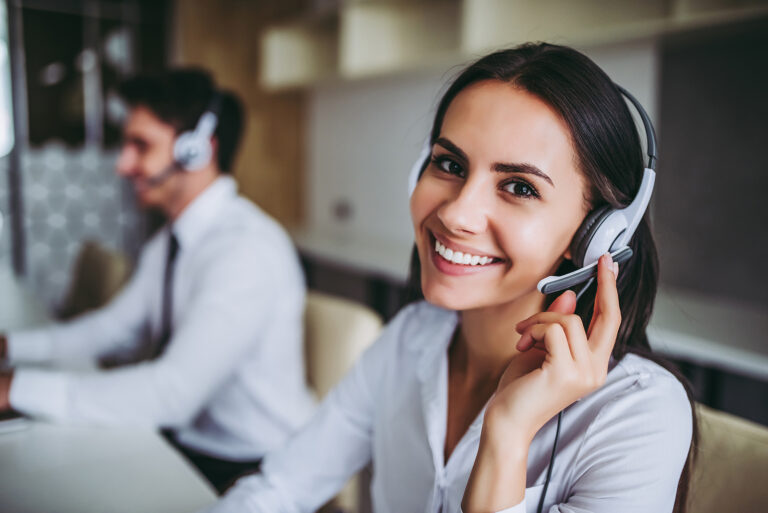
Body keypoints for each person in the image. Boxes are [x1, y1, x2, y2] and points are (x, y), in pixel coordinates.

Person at [202, 43, 695, 512]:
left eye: (519, 187)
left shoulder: (638, 414)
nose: (458, 213)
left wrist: (507, 433)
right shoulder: (409, 340)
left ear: (595, 234)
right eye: (450, 164)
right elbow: (279, 489)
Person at [0, 69, 316, 493]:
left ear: (197, 150)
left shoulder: (244, 251)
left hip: (251, 466)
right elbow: (112, 330)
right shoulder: (171, 240)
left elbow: (170, 394)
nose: (122, 163)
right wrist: (10, 348)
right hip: (190, 444)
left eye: (141, 145)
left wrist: (16, 390)